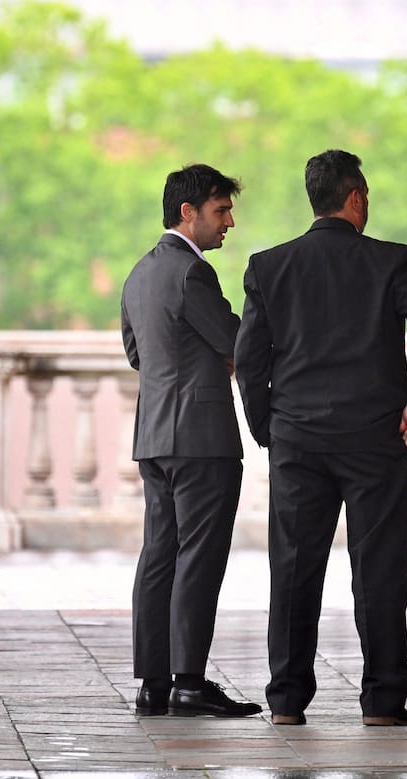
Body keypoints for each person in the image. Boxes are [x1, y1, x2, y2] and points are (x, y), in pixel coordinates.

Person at [235, 149, 407, 727]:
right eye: (367, 197)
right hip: (375, 439)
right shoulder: (389, 261)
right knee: (379, 572)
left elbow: (249, 359)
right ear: (354, 199)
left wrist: (268, 429)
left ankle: (285, 702)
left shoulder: (269, 266)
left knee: (294, 570)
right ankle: (382, 703)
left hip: (297, 440)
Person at [121, 163, 261, 718]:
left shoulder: (138, 274)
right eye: (221, 210)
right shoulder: (191, 273)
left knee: (159, 555)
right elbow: (237, 341)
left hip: (153, 434)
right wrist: (220, 360)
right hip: (201, 438)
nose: (229, 222)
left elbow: (139, 355)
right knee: (198, 558)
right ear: (188, 212)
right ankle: (189, 682)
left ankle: (155, 684)